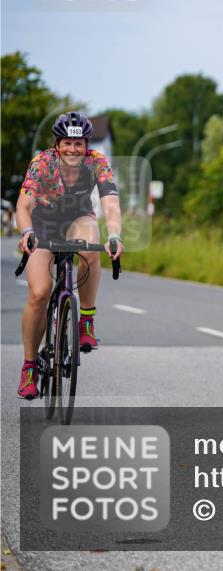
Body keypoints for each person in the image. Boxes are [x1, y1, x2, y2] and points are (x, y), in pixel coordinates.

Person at [15, 112, 124, 399]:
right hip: (43, 224)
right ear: (57, 144)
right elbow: (23, 206)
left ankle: (85, 319)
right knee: (39, 292)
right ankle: (29, 367)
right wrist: (26, 232)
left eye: (79, 143)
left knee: (91, 246)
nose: (73, 149)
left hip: (78, 218)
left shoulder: (97, 162)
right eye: (68, 143)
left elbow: (110, 204)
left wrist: (115, 234)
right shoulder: (41, 163)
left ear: (86, 144)